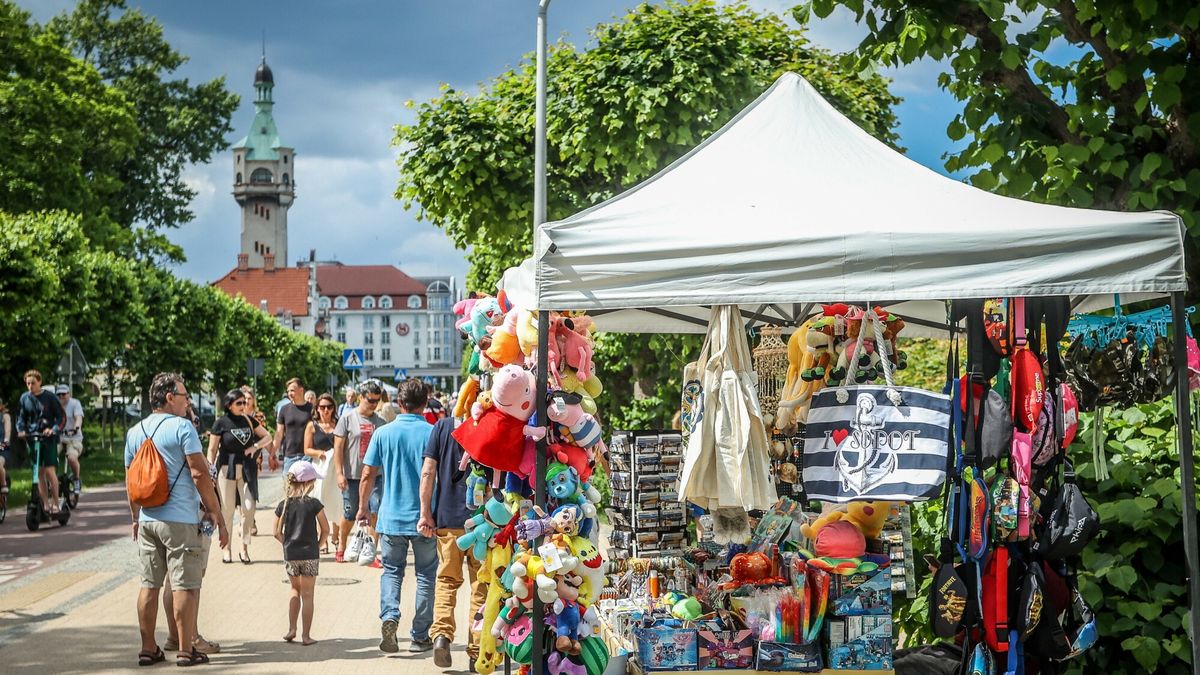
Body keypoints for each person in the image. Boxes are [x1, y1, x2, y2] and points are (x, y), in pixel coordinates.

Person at [125, 373, 227, 667]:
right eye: (184, 396)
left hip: (147, 519)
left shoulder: (135, 431)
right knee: (185, 585)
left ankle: (148, 648)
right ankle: (185, 650)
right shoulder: (183, 428)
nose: (187, 402)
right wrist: (214, 511)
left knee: (149, 584)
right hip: (181, 520)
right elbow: (199, 473)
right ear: (170, 397)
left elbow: (130, 481)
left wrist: (135, 517)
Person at [358, 378, 437, 654]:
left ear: (399, 403)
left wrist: (362, 508)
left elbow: (368, 474)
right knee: (426, 575)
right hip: (425, 518)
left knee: (392, 572)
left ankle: (390, 617)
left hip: (390, 517)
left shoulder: (383, 433)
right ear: (425, 403)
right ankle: (419, 636)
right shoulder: (433, 432)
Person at [421, 415, 487, 668]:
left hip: (448, 521)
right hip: (484, 524)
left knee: (447, 581)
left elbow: (428, 472)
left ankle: (441, 636)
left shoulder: (443, 427)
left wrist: (425, 512)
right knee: (481, 587)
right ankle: (477, 651)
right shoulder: (491, 422)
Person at [163, 404, 221, 656]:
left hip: (160, 516)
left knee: (169, 581)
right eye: (194, 420)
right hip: (192, 518)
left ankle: (173, 635)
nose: (196, 425)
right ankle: (192, 638)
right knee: (191, 582)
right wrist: (217, 515)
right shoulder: (189, 448)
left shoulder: (161, 444)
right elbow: (203, 478)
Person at [208, 389, 272, 564]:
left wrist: (255, 446)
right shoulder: (220, 423)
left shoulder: (249, 420)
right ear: (229, 405)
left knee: (249, 507)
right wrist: (210, 469)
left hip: (247, 469)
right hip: (225, 470)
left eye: (244, 402)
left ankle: (244, 548)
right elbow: (212, 449)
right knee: (227, 510)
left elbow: (268, 436)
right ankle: (226, 549)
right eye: (239, 403)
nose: (243, 406)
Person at [274, 461, 329, 646]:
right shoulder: (314, 504)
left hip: (291, 554)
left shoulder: (284, 504)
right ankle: (306, 636)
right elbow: (326, 529)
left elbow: (276, 532)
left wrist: (287, 543)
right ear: (308, 483)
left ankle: (291, 629)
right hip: (310, 554)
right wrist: (318, 545)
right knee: (308, 595)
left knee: (294, 590)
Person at [332, 380, 385, 563]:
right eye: (370, 400)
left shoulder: (381, 422)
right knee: (350, 513)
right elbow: (338, 448)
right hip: (352, 476)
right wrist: (339, 473)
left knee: (375, 512)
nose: (374, 404)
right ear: (360, 397)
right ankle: (341, 545)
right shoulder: (347, 419)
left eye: (377, 401)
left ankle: (371, 552)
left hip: (374, 476)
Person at [16, 370, 65, 514]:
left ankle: (56, 503)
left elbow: (61, 417)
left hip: (48, 439)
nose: (30, 386)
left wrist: (53, 429)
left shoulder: (50, 398)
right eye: (28, 383)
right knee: (38, 472)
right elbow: (20, 417)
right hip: (33, 438)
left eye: (33, 383)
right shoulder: (24, 398)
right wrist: (21, 430)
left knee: (50, 471)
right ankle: (45, 504)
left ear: (40, 382)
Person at [305, 393, 342, 553]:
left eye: (329, 407)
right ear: (317, 408)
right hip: (320, 467)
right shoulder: (312, 426)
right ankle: (324, 538)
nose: (325, 410)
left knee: (336, 499)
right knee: (320, 500)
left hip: (336, 468)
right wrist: (318, 453)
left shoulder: (339, 424)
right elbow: (306, 449)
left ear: (333, 408)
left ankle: (336, 534)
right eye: (322, 407)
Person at [275, 378, 314, 474]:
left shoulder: (311, 409)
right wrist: (272, 454)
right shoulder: (284, 409)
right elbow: (279, 433)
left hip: (308, 456)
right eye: (288, 391)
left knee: (308, 488)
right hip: (289, 456)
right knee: (289, 488)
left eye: (292, 390)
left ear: (301, 390)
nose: (289, 393)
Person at [56, 384, 84, 494]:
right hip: (59, 437)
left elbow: (78, 417)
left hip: (73, 437)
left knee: (71, 458)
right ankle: (52, 481)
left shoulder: (75, 403)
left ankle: (76, 479)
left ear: (69, 394)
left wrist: (76, 428)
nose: (61, 397)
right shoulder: (55, 404)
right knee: (50, 456)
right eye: (59, 395)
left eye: (64, 394)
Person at [0, 401, 11, 503]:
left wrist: (6, 440)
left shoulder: (5, 416)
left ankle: (3, 484)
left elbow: (7, 431)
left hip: (2, 448)